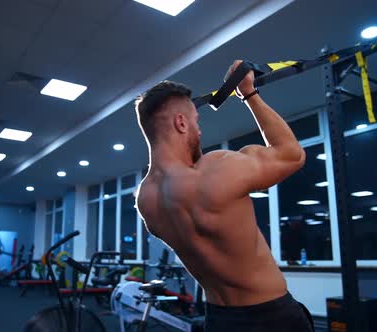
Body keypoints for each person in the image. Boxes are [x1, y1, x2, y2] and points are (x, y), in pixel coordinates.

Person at [134, 60, 313, 331]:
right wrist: (249, 94)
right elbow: (292, 155)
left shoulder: (146, 199)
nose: (200, 130)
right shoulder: (216, 169)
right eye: (196, 121)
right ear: (181, 123)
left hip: (219, 320)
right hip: (272, 316)